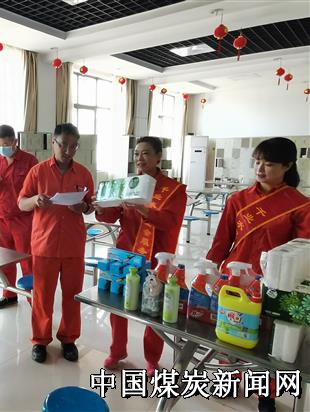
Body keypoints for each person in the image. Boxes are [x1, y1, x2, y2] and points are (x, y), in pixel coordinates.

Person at [207, 137, 309, 412]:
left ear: (287, 166)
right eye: (258, 162)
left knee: (267, 339)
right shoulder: (238, 199)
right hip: (234, 277)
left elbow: (303, 250)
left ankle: (266, 393)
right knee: (230, 328)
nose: (261, 169)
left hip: (272, 282)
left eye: (270, 164)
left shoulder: (299, 205)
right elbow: (222, 239)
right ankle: (229, 378)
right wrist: (210, 269)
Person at [93, 136, 187, 374]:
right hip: (125, 254)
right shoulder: (129, 184)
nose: (139, 158)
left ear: (158, 157)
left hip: (157, 257)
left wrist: (146, 211)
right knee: (117, 302)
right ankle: (117, 350)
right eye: (136, 154)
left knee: (154, 309)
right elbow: (113, 215)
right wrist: (101, 209)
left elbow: (171, 222)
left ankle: (152, 358)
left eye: (146, 153)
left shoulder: (174, 190)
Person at [18, 123, 94, 363]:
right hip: (45, 244)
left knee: (72, 296)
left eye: (74, 146)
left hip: (73, 244)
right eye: (64, 145)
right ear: (53, 142)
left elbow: (91, 205)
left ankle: (68, 339)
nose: (68, 151)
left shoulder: (83, 173)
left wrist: (83, 207)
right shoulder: (38, 172)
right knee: (42, 297)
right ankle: (40, 341)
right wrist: (35, 200)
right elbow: (21, 203)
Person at [0, 125, 37, 309]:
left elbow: (36, 189)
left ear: (15, 141)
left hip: (23, 219)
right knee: (4, 259)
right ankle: (9, 294)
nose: (2, 148)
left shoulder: (30, 161)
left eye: (5, 144)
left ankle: (32, 297)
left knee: (26, 259)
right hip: (0, 218)